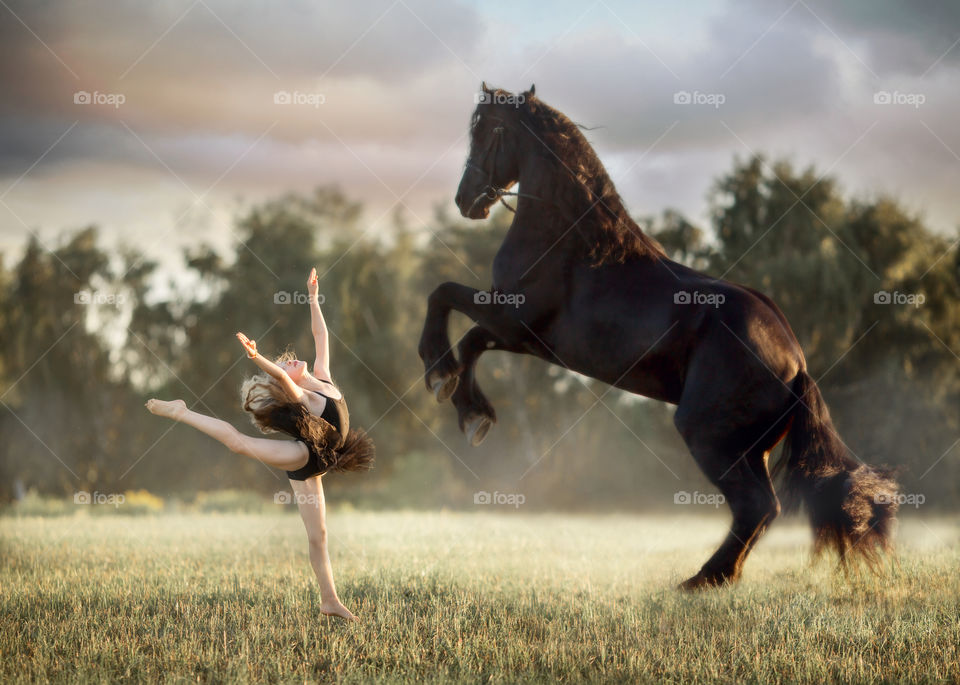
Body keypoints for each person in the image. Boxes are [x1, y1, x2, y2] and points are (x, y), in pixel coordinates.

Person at [145, 267, 373, 621]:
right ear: (290, 386)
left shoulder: (324, 379)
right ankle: (181, 412)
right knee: (238, 444)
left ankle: (329, 600)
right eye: (289, 366)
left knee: (320, 536)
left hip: (322, 457)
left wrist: (313, 297)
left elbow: (320, 335)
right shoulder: (307, 399)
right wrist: (257, 358)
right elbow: (281, 375)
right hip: (304, 456)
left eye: (290, 359)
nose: (292, 361)